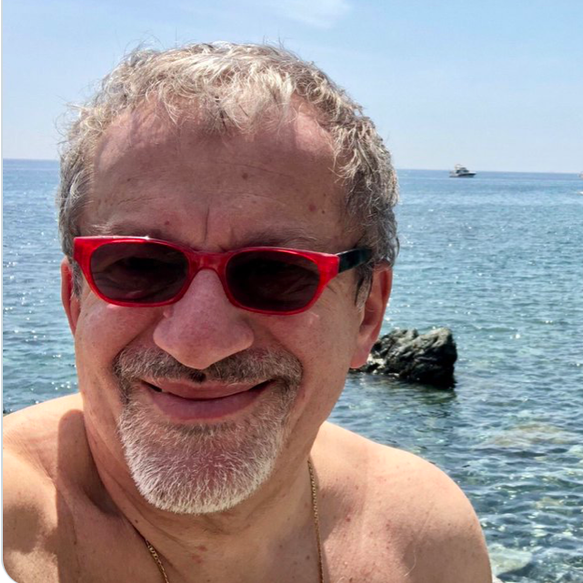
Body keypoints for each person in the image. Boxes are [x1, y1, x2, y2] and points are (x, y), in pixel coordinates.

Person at [2, 43, 493, 582]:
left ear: (367, 314)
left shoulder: (420, 539)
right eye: (138, 266)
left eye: (275, 272)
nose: (197, 343)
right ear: (75, 299)